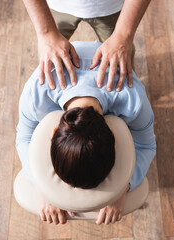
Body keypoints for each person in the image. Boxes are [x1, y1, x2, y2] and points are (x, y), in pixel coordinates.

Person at [16, 41, 156, 225]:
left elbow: (147, 145)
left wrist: (123, 187)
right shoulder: (35, 94)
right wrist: (44, 189)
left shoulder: (133, 101)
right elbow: (24, 137)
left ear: (54, 133)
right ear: (53, 133)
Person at [22, 0, 151, 92]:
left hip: (115, 7)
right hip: (51, 6)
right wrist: (46, 34)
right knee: (50, 64)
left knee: (121, 66)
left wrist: (123, 36)